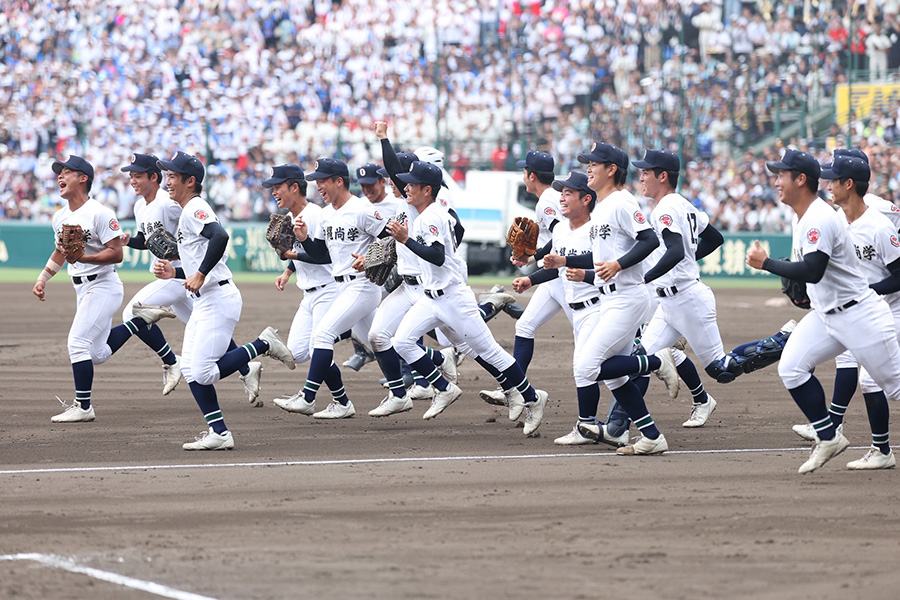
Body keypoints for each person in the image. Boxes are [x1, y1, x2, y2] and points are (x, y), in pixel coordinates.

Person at [746, 149, 900, 473]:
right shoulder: (803, 216)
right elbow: (815, 275)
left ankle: (873, 447)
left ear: (800, 180)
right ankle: (828, 437)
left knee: (895, 388)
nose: (776, 182)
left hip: (861, 316)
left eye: (781, 175)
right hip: (827, 315)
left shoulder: (820, 216)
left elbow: (814, 269)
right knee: (791, 368)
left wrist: (768, 265)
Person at [388, 161, 550, 432]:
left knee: (491, 352)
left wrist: (406, 241)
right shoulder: (429, 213)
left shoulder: (430, 216)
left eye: (412, 184)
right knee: (401, 342)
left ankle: (533, 398)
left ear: (427, 189)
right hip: (432, 298)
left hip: (453, 299)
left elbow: (438, 257)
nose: (406, 187)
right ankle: (443, 388)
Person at [153, 151, 295, 449]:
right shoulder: (188, 210)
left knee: (202, 372)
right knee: (191, 370)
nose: (167, 181)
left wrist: (201, 273)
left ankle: (263, 344)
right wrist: (176, 270)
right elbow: (201, 255)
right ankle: (219, 432)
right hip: (207, 298)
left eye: (172, 176)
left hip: (218, 296)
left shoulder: (194, 207)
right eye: (166, 175)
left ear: (190, 181)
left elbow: (220, 236)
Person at [543, 142, 679, 454]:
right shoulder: (602, 207)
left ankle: (656, 361)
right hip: (610, 298)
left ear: (611, 169)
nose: (588, 168)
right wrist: (566, 262)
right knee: (615, 378)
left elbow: (648, 240)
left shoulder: (621, 201)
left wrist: (619, 265)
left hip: (628, 297)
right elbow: (602, 255)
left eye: (594, 164)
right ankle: (652, 436)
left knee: (587, 367)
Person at [34, 155, 175, 423]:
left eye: (66, 172)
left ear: (83, 178)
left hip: (103, 285)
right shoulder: (60, 216)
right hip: (82, 289)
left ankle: (83, 406)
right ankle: (138, 323)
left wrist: (84, 257)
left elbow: (116, 253)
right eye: (59, 173)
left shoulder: (100, 213)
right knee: (96, 354)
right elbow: (60, 252)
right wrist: (43, 278)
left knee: (76, 343)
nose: (60, 177)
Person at [788, 155, 899, 469]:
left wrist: (867, 292)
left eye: (833, 179)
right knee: (855, 369)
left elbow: (899, 274)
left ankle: (877, 449)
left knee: (881, 383)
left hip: (890, 310)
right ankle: (859, 440)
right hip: (856, 310)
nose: (827, 184)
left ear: (849, 184)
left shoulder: (878, 222)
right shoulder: (833, 219)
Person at [630, 149, 728, 427]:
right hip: (669, 303)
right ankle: (619, 425)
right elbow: (714, 238)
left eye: (646, 172)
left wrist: (647, 277)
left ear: (663, 176)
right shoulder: (681, 203)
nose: (641, 176)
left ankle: (782, 341)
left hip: (688, 298)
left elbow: (675, 251)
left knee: (722, 369)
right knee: (640, 362)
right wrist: (685, 258)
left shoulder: (665, 207)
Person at [290, 157, 389, 418]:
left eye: (322, 181)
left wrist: (371, 258)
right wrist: (303, 240)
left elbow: (390, 238)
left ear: (339, 181)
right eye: (316, 181)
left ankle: (308, 396)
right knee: (381, 340)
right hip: (342, 287)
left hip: (363, 285)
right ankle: (437, 369)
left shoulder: (362, 209)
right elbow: (322, 255)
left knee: (321, 336)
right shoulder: (325, 214)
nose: (318, 186)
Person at [480, 150, 570, 407]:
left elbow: (561, 235)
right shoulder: (550, 197)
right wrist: (532, 258)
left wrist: (534, 258)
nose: (523, 176)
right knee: (525, 326)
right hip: (554, 277)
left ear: (532, 175)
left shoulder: (548, 201)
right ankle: (514, 388)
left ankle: (646, 356)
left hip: (563, 278)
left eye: (524, 171)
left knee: (591, 338)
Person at [261, 165, 339, 412]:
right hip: (309, 294)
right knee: (296, 352)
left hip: (328, 290)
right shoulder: (292, 217)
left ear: (295, 187)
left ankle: (310, 397)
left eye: (278, 187)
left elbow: (324, 256)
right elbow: (302, 254)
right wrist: (288, 270)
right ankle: (343, 402)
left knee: (319, 346)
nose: (274, 192)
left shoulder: (317, 215)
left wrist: (291, 253)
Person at [119, 153, 193, 396]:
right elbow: (147, 240)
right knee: (200, 325)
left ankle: (172, 361)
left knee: (132, 312)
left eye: (138, 175)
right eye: (131, 176)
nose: (133, 180)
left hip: (181, 274)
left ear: (154, 177)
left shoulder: (168, 203)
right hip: (171, 277)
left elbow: (197, 228)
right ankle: (247, 368)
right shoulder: (141, 206)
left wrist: (181, 250)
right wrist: (130, 241)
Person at [341, 162, 398, 372]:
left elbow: (395, 239)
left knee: (401, 320)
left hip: (395, 269)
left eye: (370, 184)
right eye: (362, 185)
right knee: (370, 318)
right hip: (372, 270)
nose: (366, 190)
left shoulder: (396, 204)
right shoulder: (360, 206)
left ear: (382, 182)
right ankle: (364, 351)